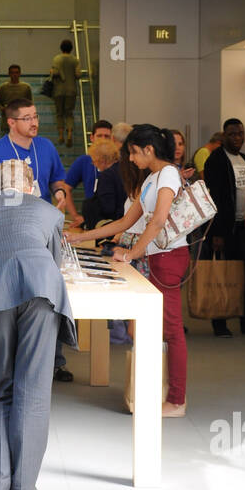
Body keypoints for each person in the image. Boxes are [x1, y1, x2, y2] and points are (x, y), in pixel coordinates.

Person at [0, 158, 76, 490]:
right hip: (42, 294)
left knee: (2, 389)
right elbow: (54, 265)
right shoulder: (48, 212)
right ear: (30, 186)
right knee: (33, 393)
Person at [67, 125, 190, 417]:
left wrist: (133, 253)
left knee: (172, 331)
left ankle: (176, 400)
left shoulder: (169, 174)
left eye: (134, 153)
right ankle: (159, 393)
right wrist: (79, 237)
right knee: (146, 328)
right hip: (156, 258)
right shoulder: (152, 178)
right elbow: (125, 222)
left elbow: (158, 220)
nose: (131, 160)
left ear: (149, 150)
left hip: (168, 257)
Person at [0, 98, 78, 381]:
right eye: (27, 118)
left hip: (40, 231)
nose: (34, 123)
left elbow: (58, 179)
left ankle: (54, 360)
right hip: (6, 233)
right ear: (11, 122)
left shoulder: (46, 147)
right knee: (11, 294)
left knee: (46, 294)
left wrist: (59, 195)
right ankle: (7, 361)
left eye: (36, 117)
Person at [203, 118, 245, 337]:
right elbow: (216, 199)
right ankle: (220, 322)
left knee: (242, 276)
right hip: (224, 228)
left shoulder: (244, 158)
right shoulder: (216, 160)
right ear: (223, 136)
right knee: (222, 276)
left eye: (240, 133)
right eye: (232, 134)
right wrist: (217, 233)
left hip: (244, 225)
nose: (237, 138)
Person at [65, 119, 114, 206]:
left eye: (107, 136)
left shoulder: (118, 161)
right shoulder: (84, 161)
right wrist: (75, 216)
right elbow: (66, 188)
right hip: (92, 215)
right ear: (92, 138)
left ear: (112, 139)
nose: (103, 140)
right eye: (99, 136)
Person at [49, 38, 81, 146]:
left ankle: (61, 135)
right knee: (69, 113)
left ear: (61, 48)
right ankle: (70, 134)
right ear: (71, 49)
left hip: (58, 90)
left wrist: (52, 72)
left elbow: (55, 72)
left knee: (59, 113)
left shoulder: (57, 59)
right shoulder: (75, 60)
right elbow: (78, 75)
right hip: (71, 90)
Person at [0, 64, 33, 133]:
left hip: (21, 120)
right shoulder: (3, 87)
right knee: (6, 140)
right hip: (7, 120)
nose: (14, 75)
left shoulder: (25, 88)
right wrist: (4, 109)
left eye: (16, 72)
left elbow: (30, 103)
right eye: (12, 73)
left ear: (20, 74)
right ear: (9, 74)